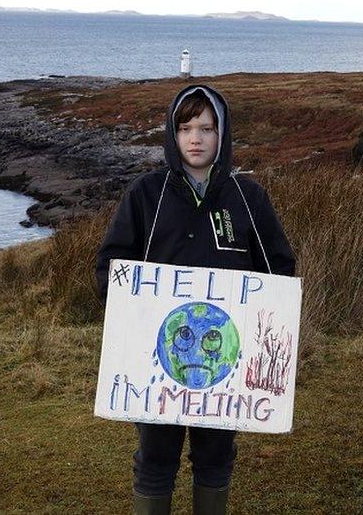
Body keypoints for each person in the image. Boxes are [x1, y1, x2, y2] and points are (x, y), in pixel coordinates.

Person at [95, 84, 296, 514]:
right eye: (185, 127)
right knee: (155, 459)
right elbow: (111, 266)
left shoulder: (248, 197)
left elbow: (278, 270)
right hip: (156, 364)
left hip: (225, 365)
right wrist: (127, 317)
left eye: (207, 127)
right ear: (172, 133)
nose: (196, 138)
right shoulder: (146, 194)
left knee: (215, 458)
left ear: (222, 134)